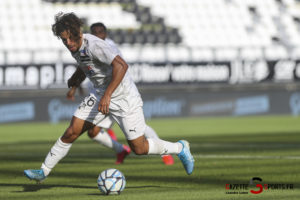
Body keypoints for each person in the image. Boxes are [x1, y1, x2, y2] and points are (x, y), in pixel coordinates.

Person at [24, 12, 194, 182]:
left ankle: (180, 148)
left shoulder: (95, 45)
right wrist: (77, 78)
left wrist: (107, 95)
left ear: (77, 32)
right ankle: (43, 171)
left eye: (69, 38)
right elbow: (87, 65)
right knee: (71, 131)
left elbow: (121, 66)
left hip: (123, 96)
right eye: (63, 40)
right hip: (100, 94)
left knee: (139, 148)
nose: (67, 43)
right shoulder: (75, 45)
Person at [67, 22, 174, 165]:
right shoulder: (88, 45)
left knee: (139, 131)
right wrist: (74, 87)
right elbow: (85, 67)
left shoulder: (109, 47)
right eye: (95, 32)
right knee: (93, 132)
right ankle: (121, 150)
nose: (98, 35)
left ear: (105, 34)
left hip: (119, 93)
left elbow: (116, 67)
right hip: (101, 95)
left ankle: (165, 154)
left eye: (100, 32)